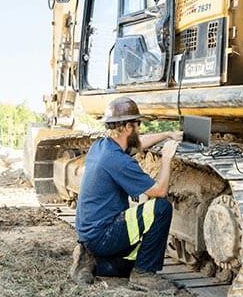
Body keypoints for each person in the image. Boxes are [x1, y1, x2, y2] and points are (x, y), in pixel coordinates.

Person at [70, 96, 181, 291]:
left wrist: (167, 134)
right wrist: (166, 158)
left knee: (134, 261)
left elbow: (138, 144)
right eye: (137, 125)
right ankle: (144, 275)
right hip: (103, 235)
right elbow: (160, 191)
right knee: (161, 208)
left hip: (90, 234)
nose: (139, 129)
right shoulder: (118, 161)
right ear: (128, 127)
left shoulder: (101, 147)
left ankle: (91, 261)